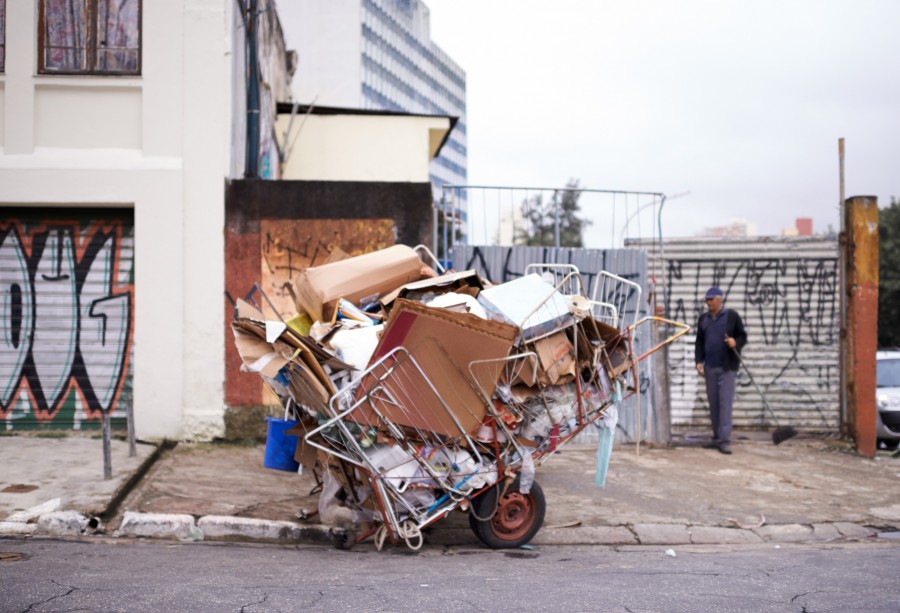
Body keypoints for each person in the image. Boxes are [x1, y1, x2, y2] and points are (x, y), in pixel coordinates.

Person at [695, 286, 747, 454]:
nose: (708, 302)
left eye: (711, 299)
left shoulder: (731, 317)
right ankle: (717, 437)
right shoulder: (704, 319)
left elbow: (742, 336)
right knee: (714, 404)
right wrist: (698, 361)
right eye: (707, 300)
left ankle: (724, 440)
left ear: (720, 299)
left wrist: (735, 342)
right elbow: (699, 343)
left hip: (727, 368)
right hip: (710, 367)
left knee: (725, 404)